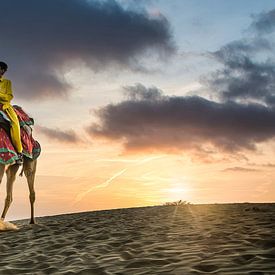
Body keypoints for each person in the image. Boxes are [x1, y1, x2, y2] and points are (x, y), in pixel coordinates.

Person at [0, 61, 23, 165]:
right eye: (0, 69)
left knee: (15, 124)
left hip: (5, 107)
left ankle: (19, 152)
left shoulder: (7, 82)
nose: (1, 71)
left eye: (3, 70)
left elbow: (9, 97)